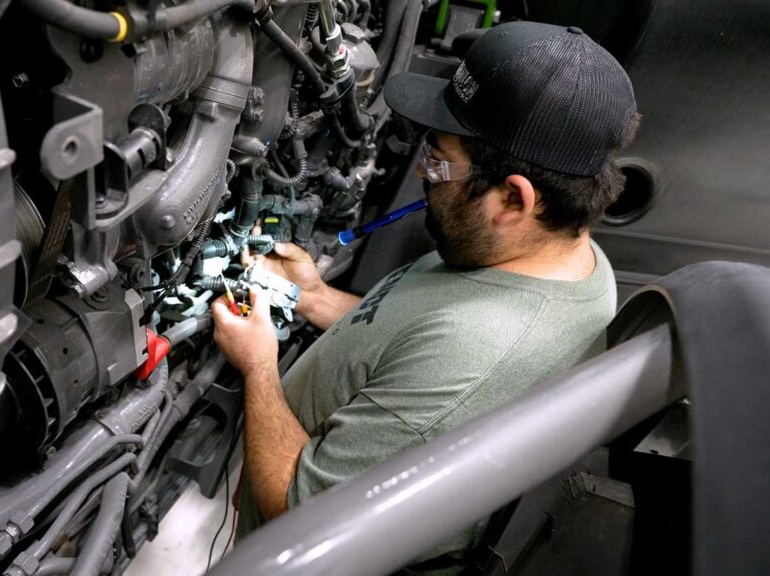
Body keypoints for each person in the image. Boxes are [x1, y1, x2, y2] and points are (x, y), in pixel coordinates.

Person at [211, 21, 641, 572]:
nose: (423, 171)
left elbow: (300, 515)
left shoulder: (474, 353)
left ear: (513, 198)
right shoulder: (562, 254)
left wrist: (259, 365)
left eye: (438, 161)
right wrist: (315, 298)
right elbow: (411, 342)